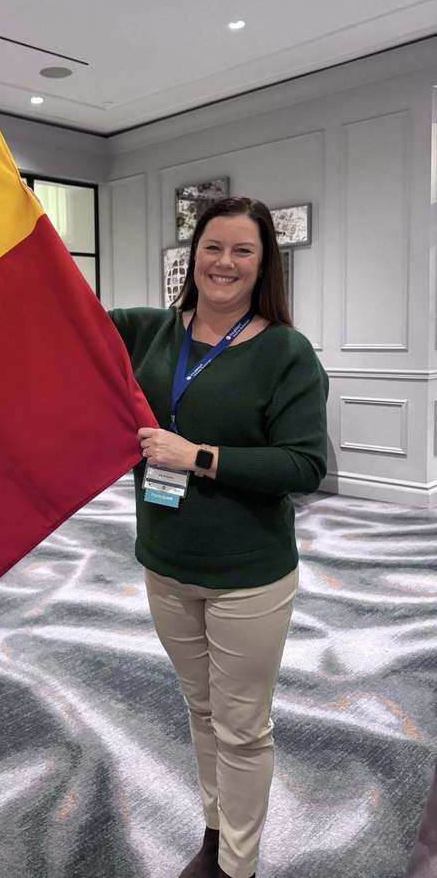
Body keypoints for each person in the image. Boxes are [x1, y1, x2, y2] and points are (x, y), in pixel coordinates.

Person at [108, 197, 329, 878]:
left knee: (241, 726)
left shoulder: (285, 352)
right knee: (201, 709)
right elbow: (60, 320)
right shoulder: (147, 331)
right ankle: (215, 833)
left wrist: (198, 457)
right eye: (213, 247)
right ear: (192, 255)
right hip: (166, 561)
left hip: (247, 575)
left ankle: (238, 864)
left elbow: (304, 465)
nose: (224, 262)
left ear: (264, 265)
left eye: (242, 251)